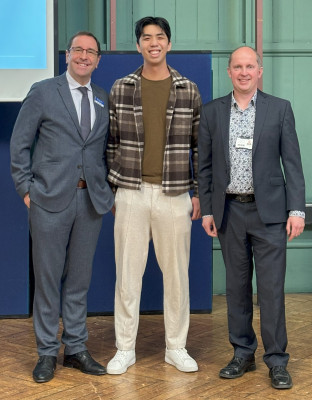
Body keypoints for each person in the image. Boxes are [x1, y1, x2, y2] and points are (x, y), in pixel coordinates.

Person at [198, 46, 305, 389]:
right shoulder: (212, 112)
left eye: (250, 66)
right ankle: (242, 353)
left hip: (270, 213)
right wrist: (208, 209)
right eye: (237, 67)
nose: (244, 72)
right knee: (236, 288)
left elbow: (293, 164)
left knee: (271, 290)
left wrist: (297, 210)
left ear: (259, 71)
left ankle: (276, 360)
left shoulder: (279, 109)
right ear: (229, 71)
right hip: (229, 211)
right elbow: (204, 167)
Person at [10, 31, 114, 383]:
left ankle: (75, 348)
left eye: (91, 52)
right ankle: (45, 353)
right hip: (49, 201)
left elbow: (103, 151)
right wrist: (27, 189)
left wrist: (108, 191)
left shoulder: (102, 98)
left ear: (98, 60)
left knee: (79, 281)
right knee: (48, 279)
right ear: (68, 55)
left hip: (90, 202)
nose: (84, 56)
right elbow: (19, 144)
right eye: (78, 50)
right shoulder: (43, 91)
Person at [106, 16, 202, 374]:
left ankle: (176, 347)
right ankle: (124, 348)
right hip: (131, 192)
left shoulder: (188, 89)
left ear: (169, 44)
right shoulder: (122, 87)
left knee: (176, 276)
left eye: (159, 37)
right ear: (138, 45)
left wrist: (196, 193)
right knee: (127, 276)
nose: (153, 43)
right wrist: (114, 190)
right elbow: (111, 143)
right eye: (146, 38)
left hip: (174, 193)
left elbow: (197, 147)